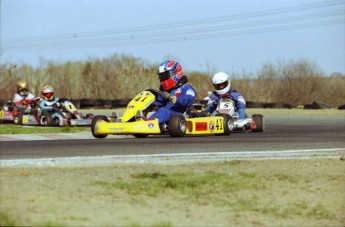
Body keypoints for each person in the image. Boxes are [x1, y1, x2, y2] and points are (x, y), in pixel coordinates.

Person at [149, 60, 196, 126]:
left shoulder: (186, 87)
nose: (164, 78)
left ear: (175, 73)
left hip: (178, 112)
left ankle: (147, 123)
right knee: (153, 110)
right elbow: (159, 101)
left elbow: (188, 100)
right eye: (162, 76)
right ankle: (141, 119)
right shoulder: (165, 89)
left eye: (165, 75)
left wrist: (176, 99)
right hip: (167, 111)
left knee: (164, 112)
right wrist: (150, 104)